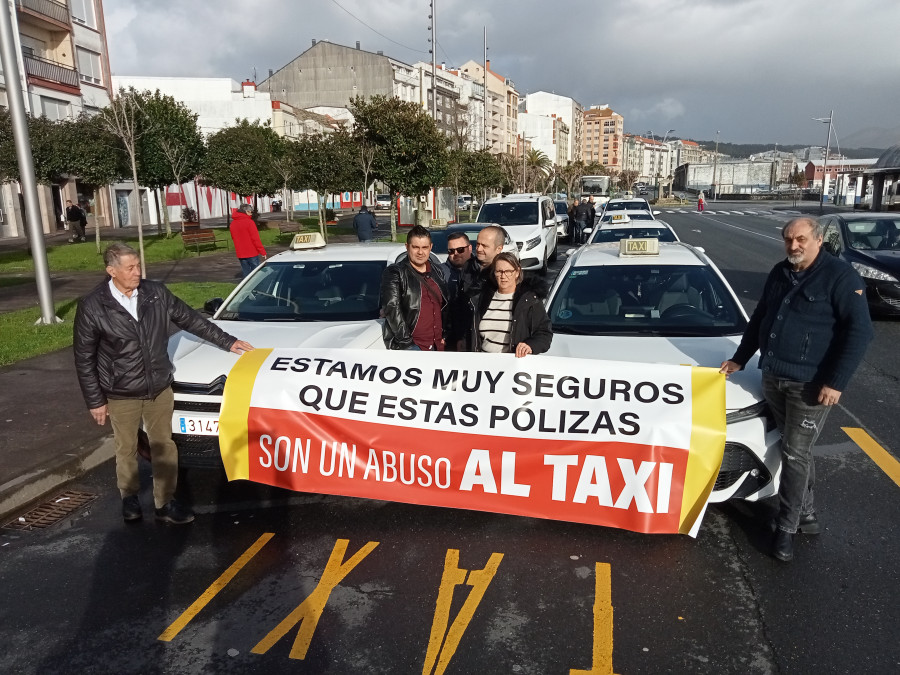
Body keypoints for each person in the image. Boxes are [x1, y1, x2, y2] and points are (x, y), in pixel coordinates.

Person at [720, 217, 873, 562]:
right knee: (796, 448)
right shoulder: (780, 271)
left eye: (801, 239)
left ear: (817, 239)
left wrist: (836, 382)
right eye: (788, 240)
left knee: (794, 453)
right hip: (773, 377)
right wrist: (740, 358)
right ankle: (807, 513)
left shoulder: (840, 276)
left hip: (811, 385)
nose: (794, 246)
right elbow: (760, 317)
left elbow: (860, 332)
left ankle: (786, 529)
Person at [73, 243, 255, 524]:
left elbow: (192, 319)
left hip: (159, 387)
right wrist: (95, 400)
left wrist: (228, 341)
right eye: (130, 268)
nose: (137, 272)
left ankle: (165, 502)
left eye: (138, 266)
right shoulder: (93, 305)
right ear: (112, 271)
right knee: (126, 448)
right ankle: (129, 498)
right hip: (121, 392)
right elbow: (84, 357)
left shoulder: (155, 293)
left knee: (164, 445)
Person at [380, 225, 449, 351]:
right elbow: (392, 307)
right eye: (415, 247)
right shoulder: (395, 272)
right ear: (407, 247)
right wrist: (407, 343)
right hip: (413, 346)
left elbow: (445, 305)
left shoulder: (437, 270)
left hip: (438, 346)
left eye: (424, 247)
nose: (420, 252)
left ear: (431, 247)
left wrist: (444, 335)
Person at [472, 252, 552, 356]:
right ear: (494, 273)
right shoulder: (482, 298)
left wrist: (530, 345)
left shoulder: (529, 300)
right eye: (499, 271)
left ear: (517, 272)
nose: (503, 276)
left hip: (513, 366)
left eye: (508, 271)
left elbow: (544, 333)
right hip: (485, 366)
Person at [441, 232, 472, 351]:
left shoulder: (480, 270)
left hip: (473, 336)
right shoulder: (439, 272)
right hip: (447, 337)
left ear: (469, 248)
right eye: (451, 251)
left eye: (460, 250)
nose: (455, 254)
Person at [229, 204, 267, 278]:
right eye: (250, 212)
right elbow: (255, 239)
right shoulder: (249, 222)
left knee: (246, 273)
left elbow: (233, 237)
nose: (251, 213)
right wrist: (262, 251)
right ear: (246, 211)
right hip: (251, 252)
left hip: (240, 252)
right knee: (256, 274)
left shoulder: (233, 223)